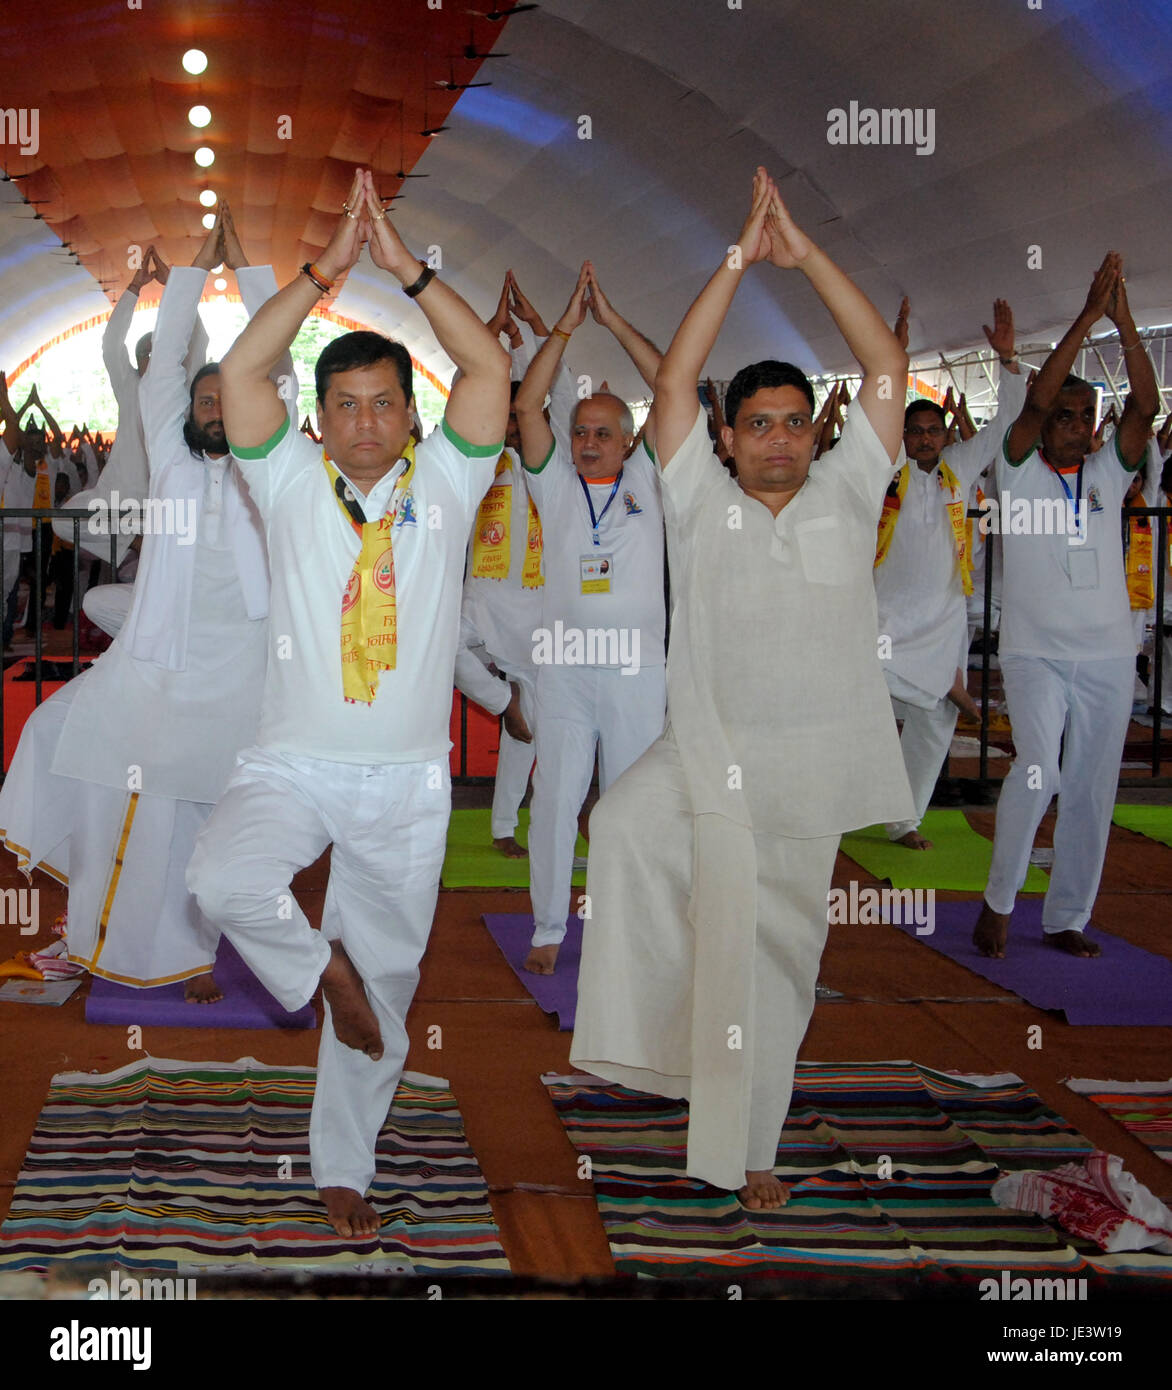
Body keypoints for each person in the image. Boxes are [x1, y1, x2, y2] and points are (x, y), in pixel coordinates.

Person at [570, 168, 913, 1209]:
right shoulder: (695, 502)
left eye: (791, 423)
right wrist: (734, 255)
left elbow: (887, 363)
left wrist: (800, 253)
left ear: (816, 432)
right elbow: (672, 385)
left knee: (775, 971)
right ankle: (666, 1044)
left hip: (809, 776)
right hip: (702, 753)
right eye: (756, 423)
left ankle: (744, 1151)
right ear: (726, 437)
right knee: (623, 829)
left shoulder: (851, 492)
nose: (775, 438)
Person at [187, 168, 510, 1239]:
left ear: (406, 412)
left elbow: (487, 364)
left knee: (391, 987)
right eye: (345, 405)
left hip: (407, 783)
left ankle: (345, 1168)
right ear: (316, 419)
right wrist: (327, 270)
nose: (365, 421)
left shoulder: (451, 482)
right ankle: (316, 967)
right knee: (221, 876)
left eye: (383, 403)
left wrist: (407, 268)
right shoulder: (282, 479)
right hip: (290, 762)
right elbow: (240, 367)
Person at [0, 208, 273, 1000]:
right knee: (92, 755)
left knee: (214, 804)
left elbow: (276, 363)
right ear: (186, 411)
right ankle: (138, 941)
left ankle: (202, 946)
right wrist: (191, 272)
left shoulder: (268, 463)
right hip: (162, 659)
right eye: (206, 399)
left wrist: (247, 266)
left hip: (244, 662)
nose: (218, 407)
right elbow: (157, 370)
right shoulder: (173, 464)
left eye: (230, 397)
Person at [973, 254, 1158, 959]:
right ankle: (999, 899)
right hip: (1035, 654)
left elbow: (1148, 408)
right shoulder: (1017, 468)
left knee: (1091, 788)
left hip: (1110, 655)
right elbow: (1031, 404)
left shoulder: (1112, 468)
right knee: (1036, 769)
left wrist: (1127, 322)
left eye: (1088, 417)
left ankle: (1067, 916)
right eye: (1067, 415)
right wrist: (1085, 317)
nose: (1077, 424)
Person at [514, 261, 667, 974]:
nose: (588, 441)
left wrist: (611, 321)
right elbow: (526, 407)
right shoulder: (552, 484)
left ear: (629, 441)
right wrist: (565, 328)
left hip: (637, 673)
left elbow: (672, 383)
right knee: (555, 798)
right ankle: (550, 928)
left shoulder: (647, 478)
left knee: (631, 805)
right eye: (581, 431)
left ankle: (631, 925)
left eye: (604, 432)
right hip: (567, 672)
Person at [874, 297, 1027, 848]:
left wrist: (1008, 363)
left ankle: (904, 820)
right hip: (884, 618)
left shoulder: (959, 469)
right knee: (859, 700)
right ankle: (955, 693)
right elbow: (879, 416)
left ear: (944, 435)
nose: (924, 438)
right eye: (915, 431)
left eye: (933, 430)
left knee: (934, 722)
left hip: (942, 619)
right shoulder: (889, 470)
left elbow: (1007, 425)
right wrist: (892, 354)